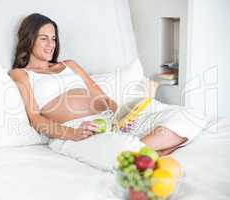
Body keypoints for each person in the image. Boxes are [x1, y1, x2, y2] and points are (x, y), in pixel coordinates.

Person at [10, 13, 188, 156]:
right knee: (117, 148)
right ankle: (150, 150)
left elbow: (101, 96)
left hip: (109, 121)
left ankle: (140, 152)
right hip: (75, 131)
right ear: (29, 39)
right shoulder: (21, 74)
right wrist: (74, 133)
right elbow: (35, 118)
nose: (51, 44)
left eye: (53, 38)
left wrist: (121, 117)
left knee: (187, 117)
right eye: (44, 38)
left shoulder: (69, 65)